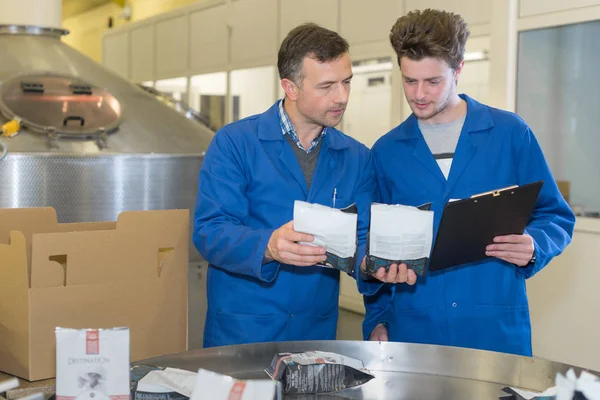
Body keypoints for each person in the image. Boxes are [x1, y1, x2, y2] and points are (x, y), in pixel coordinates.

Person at [363, 9, 576, 356]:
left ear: (459, 68)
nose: (419, 94)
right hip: (416, 331)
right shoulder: (387, 152)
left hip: (493, 331)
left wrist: (535, 245)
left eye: (433, 82)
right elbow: (376, 247)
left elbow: (555, 215)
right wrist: (378, 318)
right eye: (409, 80)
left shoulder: (510, 134)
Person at [193, 23, 408, 348]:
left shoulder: (357, 158)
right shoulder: (235, 144)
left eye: (347, 82)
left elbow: (361, 237)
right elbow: (210, 231)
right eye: (327, 86)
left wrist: (371, 265)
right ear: (290, 88)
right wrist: (269, 245)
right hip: (243, 334)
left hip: (315, 334)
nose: (342, 97)